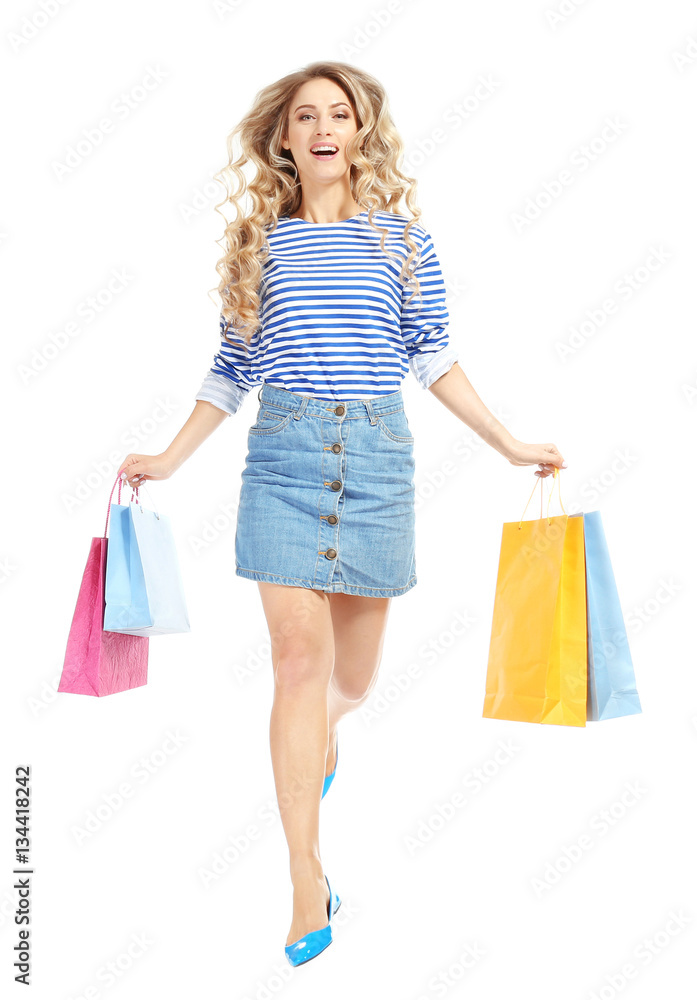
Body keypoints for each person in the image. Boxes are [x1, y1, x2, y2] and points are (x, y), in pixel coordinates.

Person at [117, 61, 566, 967]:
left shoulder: (403, 242)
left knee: (349, 684)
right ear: (282, 139)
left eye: (340, 112)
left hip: (375, 465)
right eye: (304, 115)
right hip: (281, 462)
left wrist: (510, 443)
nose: (323, 126)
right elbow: (231, 370)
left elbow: (434, 357)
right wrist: (166, 458)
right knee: (294, 661)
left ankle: (322, 735)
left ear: (360, 131)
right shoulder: (258, 243)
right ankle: (302, 878)